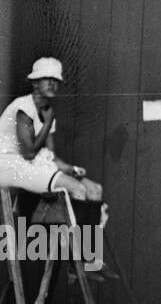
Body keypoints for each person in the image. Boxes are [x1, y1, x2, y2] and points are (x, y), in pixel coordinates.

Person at [0, 57, 104, 202]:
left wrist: (71, 169)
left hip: (29, 164)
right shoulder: (24, 106)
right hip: (8, 165)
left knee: (94, 190)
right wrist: (48, 122)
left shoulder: (47, 111)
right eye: (46, 78)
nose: (52, 84)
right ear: (35, 82)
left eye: (55, 80)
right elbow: (28, 153)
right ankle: (75, 225)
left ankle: (89, 225)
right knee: (76, 188)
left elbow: (52, 156)